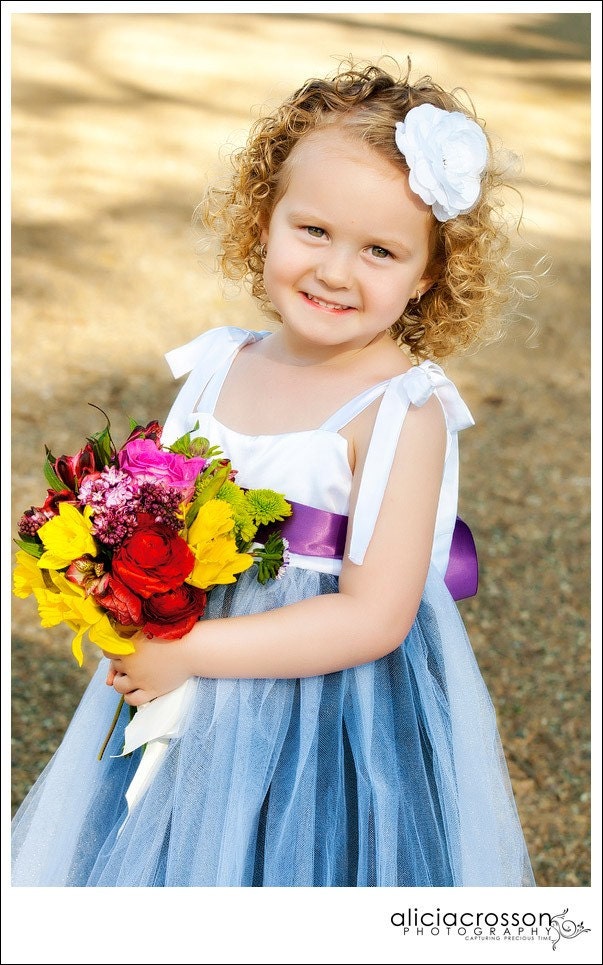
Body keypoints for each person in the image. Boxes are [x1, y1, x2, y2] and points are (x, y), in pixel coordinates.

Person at [11, 59, 535, 887]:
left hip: (327, 715)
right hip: (183, 663)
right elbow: (158, 516)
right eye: (314, 231)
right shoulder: (219, 365)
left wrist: (193, 650)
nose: (335, 271)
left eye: (381, 250)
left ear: (427, 272)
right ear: (263, 221)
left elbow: (373, 618)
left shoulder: (401, 408)